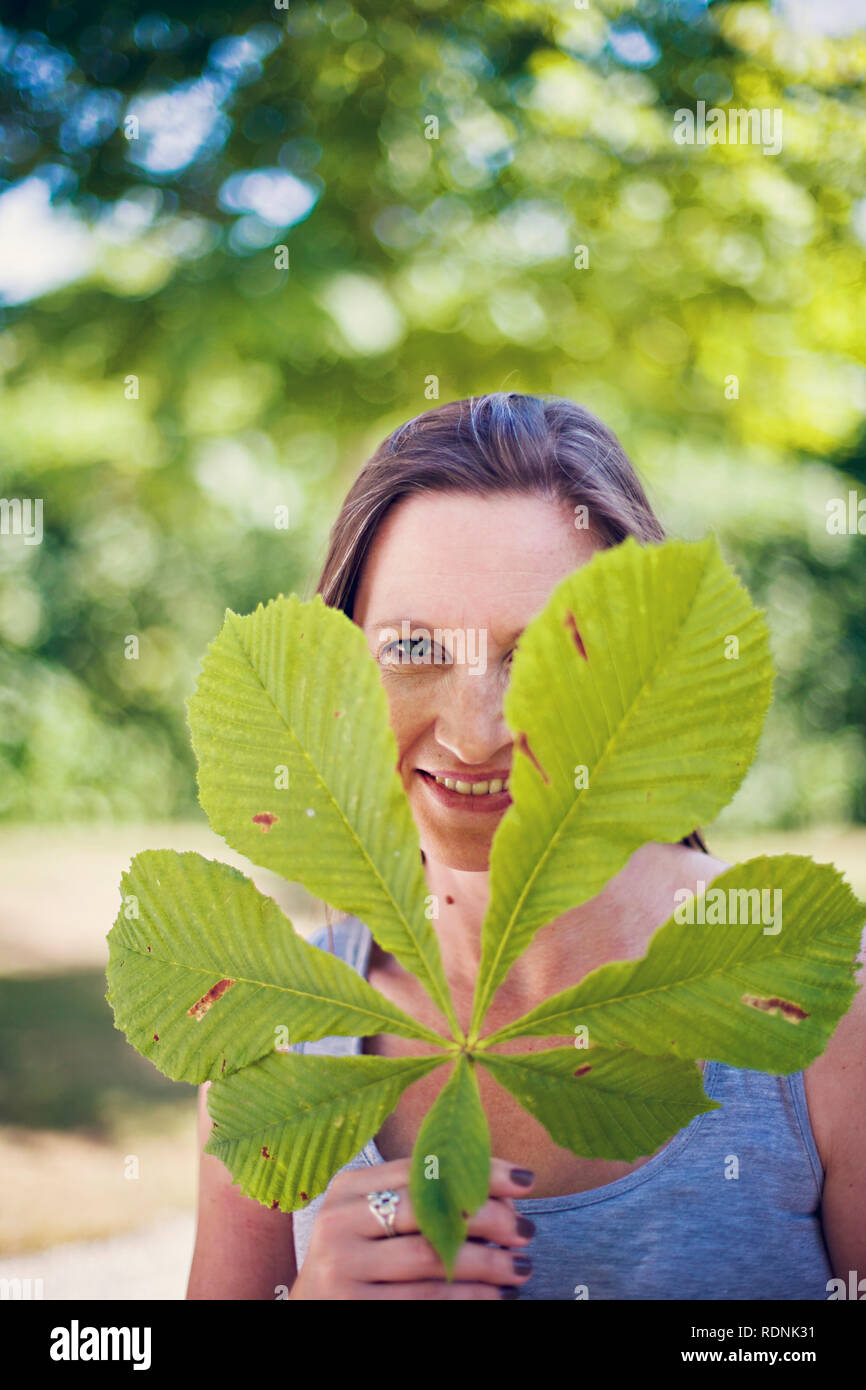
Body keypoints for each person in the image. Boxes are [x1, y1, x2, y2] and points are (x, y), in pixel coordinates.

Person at [187, 392, 866, 1300]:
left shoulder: (824, 1003)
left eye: (546, 652)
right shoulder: (269, 1036)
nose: (475, 733)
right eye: (414, 647)